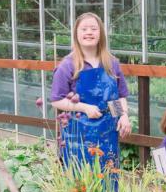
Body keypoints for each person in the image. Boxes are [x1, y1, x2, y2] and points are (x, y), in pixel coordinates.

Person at [50, 12, 131, 169]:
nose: (89, 32)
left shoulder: (111, 63)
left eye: (93, 29)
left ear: (100, 34)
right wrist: (84, 107)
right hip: (78, 136)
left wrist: (123, 115)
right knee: (81, 183)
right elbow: (56, 99)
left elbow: (117, 97)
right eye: (84, 29)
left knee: (108, 179)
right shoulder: (67, 65)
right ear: (76, 34)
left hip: (108, 134)